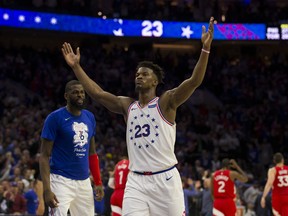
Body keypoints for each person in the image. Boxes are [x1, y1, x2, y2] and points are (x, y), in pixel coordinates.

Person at [62, 17, 215, 216]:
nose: (139, 76)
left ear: (155, 82)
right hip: (136, 181)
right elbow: (98, 94)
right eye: (137, 74)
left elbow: (194, 81)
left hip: (165, 179)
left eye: (144, 74)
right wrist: (76, 67)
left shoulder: (166, 102)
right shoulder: (128, 106)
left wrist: (205, 49)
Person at [39, 80, 104, 216]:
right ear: (66, 96)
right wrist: (46, 189)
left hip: (84, 182)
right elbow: (44, 156)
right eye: (75, 92)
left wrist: (98, 182)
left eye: (82, 92)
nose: (80, 95)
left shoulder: (90, 117)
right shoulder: (54, 118)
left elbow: (92, 153)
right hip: (60, 180)